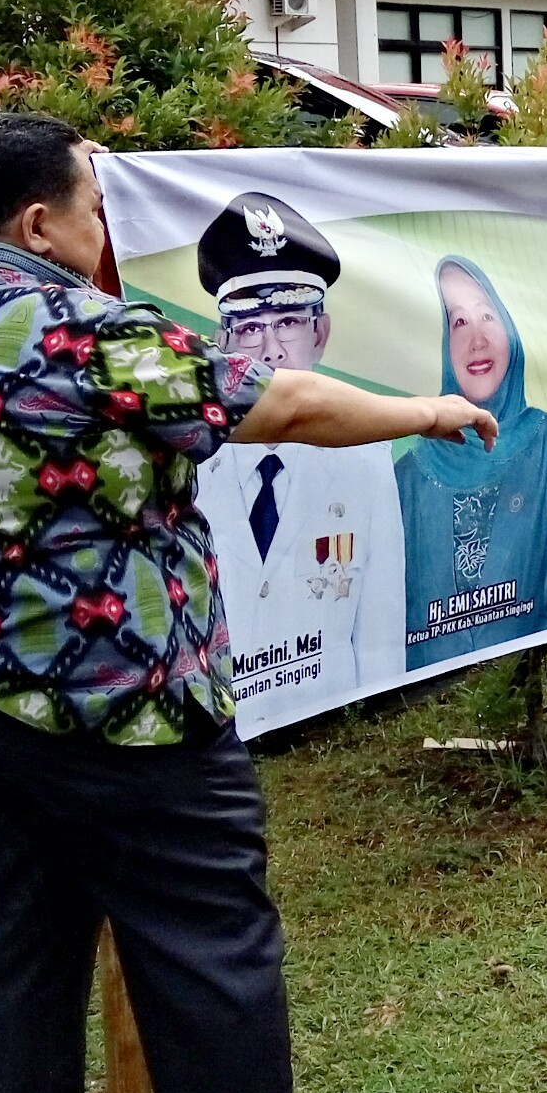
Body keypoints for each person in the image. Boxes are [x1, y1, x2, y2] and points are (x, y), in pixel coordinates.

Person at [0, 113, 495, 1093]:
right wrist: (424, 408)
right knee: (204, 957)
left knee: (10, 959)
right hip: (120, 715)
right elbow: (281, 403)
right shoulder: (81, 331)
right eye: (94, 208)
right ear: (38, 222)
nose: (101, 230)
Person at [194, 192, 406, 724]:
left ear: (320, 333)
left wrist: (374, 727)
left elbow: (380, 622)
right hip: (222, 727)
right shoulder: (190, 461)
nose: (271, 350)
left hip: (329, 729)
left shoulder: (364, 456)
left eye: (288, 321)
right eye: (249, 328)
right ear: (222, 344)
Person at [396, 255, 547, 666]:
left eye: (488, 316)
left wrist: (520, 677)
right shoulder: (408, 475)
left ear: (513, 330)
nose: (477, 341)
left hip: (521, 685)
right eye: (459, 322)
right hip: (425, 699)